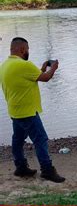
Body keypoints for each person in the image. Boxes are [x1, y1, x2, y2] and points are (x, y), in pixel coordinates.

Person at [0, 37, 65, 183]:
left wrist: (42, 69)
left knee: (17, 139)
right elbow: (46, 78)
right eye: (28, 49)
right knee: (40, 139)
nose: (28, 52)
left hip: (15, 111)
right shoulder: (24, 65)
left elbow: (30, 78)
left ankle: (21, 166)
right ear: (22, 49)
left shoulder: (5, 65)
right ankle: (47, 170)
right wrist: (53, 67)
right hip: (28, 112)